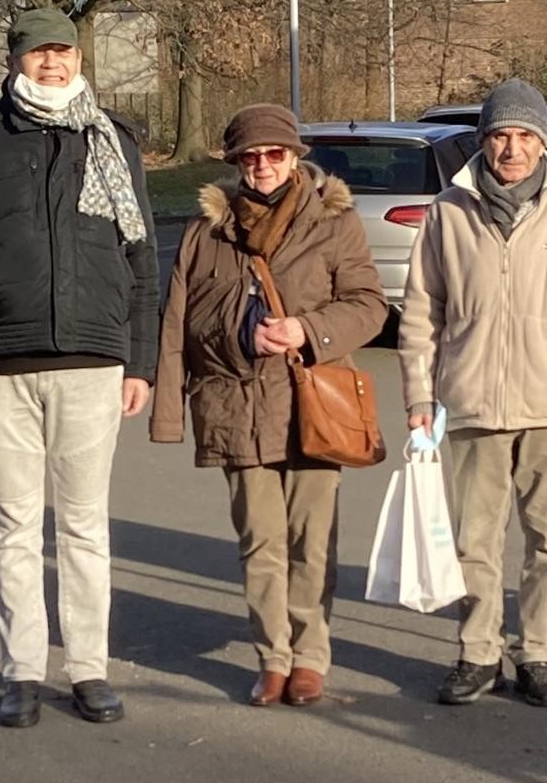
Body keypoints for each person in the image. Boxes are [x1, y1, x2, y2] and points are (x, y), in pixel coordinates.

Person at [0, 7, 160, 729]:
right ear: (15, 59)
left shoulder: (111, 140)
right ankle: (20, 670)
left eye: (63, 52)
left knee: (83, 525)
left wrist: (138, 359)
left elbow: (141, 260)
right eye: (37, 54)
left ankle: (87, 667)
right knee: (13, 524)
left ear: (78, 57)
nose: (52, 65)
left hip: (93, 358)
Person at [398, 79, 547, 709]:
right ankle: (477, 653)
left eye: (525, 135)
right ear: (484, 140)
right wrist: (420, 395)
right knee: (475, 540)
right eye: (501, 135)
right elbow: (422, 312)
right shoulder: (450, 211)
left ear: (542, 144)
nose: (512, 148)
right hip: (471, 401)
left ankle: (537, 653)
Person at [149, 105, 386, 707]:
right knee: (260, 540)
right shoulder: (207, 232)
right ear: (235, 165)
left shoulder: (334, 223)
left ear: (294, 158)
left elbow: (368, 305)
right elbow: (179, 320)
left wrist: (307, 329)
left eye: (274, 155)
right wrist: (177, 406)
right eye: (251, 158)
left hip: (313, 404)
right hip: (234, 404)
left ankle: (309, 657)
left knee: (312, 540)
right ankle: (272, 658)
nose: (263, 166)